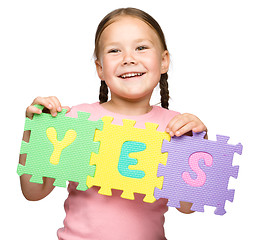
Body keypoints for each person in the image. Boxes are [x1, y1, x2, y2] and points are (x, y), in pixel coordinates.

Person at [19, 7, 207, 240]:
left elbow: (188, 206)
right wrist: (34, 133)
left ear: (164, 61)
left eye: (141, 48)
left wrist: (198, 146)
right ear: (100, 68)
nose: (129, 58)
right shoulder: (76, 120)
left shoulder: (176, 128)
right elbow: (33, 192)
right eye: (114, 50)